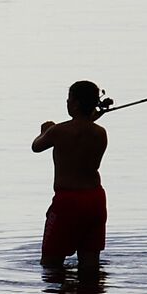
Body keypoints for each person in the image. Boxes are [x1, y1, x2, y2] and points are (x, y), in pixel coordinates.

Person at [32, 79, 110, 272]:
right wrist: (89, 119)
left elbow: (36, 146)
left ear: (75, 103)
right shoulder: (100, 132)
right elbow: (81, 133)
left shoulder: (58, 131)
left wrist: (45, 130)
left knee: (50, 263)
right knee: (90, 263)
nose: (67, 103)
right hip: (95, 199)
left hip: (68, 201)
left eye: (69, 99)